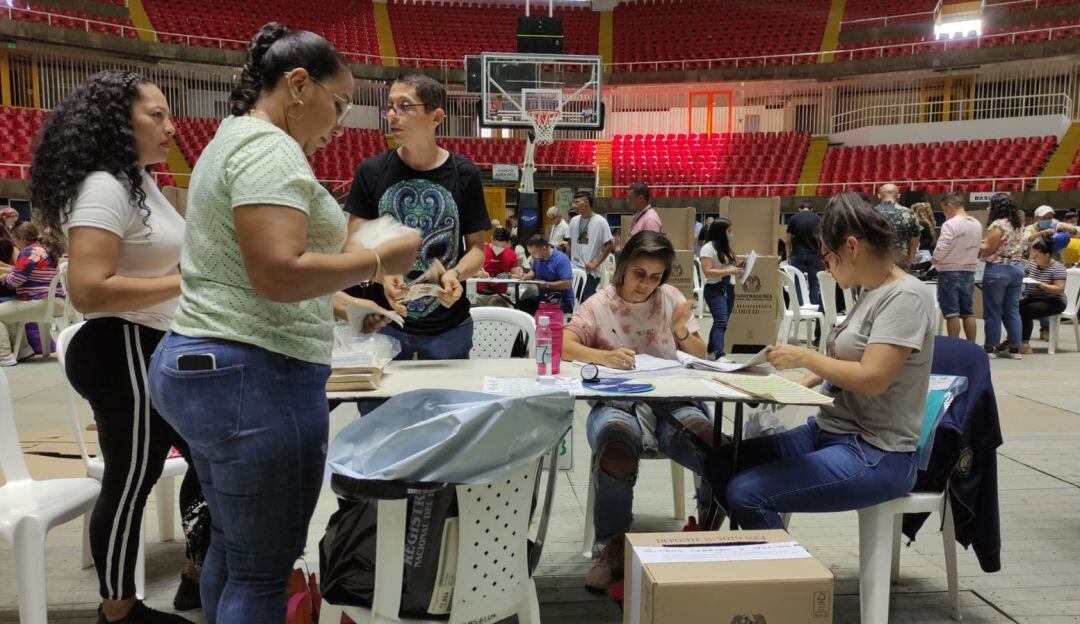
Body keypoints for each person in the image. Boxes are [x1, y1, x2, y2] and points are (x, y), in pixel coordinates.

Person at [146, 24, 419, 624]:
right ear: (299, 84)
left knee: (237, 553)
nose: (343, 123)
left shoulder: (234, 139)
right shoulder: (269, 149)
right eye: (341, 103)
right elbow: (278, 271)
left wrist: (354, 276)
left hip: (214, 364)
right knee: (262, 574)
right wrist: (378, 258)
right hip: (252, 373)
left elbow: (265, 267)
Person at [30, 69, 206, 624]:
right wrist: (187, 280)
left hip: (153, 342)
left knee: (211, 455)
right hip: (123, 343)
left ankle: (197, 575)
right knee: (132, 478)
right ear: (116, 122)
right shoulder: (104, 185)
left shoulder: (138, 180)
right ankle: (119, 609)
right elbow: (88, 288)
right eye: (157, 115)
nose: (171, 127)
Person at [705, 190, 934, 531]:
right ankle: (722, 553)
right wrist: (797, 383)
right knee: (722, 462)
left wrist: (804, 357)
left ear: (852, 247)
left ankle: (785, 580)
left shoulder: (906, 297)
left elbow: (873, 378)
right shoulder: (871, 291)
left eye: (827, 256)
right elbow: (845, 358)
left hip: (875, 451)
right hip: (829, 430)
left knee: (748, 493)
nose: (825, 264)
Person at [562, 231, 714, 592]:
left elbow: (700, 355)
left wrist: (680, 329)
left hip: (674, 402)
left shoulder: (671, 299)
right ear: (623, 267)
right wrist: (604, 357)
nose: (646, 284)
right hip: (616, 402)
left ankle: (708, 532)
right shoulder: (599, 305)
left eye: (655, 277)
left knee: (712, 445)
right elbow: (564, 343)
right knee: (616, 448)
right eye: (639, 274)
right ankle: (612, 545)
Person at [343, 74, 488, 359]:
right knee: (380, 405)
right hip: (384, 320)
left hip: (449, 327)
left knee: (449, 403)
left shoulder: (465, 173)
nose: (393, 116)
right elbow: (353, 244)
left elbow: (476, 249)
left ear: (436, 116)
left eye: (405, 106)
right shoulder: (371, 171)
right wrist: (383, 276)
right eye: (390, 107)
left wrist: (455, 274)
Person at [0, 222, 63, 365]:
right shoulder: (45, 249)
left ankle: (4, 355)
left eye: (15, 240)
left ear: (22, 238)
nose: (14, 244)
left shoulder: (28, 252)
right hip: (56, 301)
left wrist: (5, 278)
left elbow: (14, 282)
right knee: (8, 309)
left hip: (41, 302)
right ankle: (23, 350)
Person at [979, 192, 1025, 360]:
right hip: (1016, 267)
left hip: (999, 268)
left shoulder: (998, 224)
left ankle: (991, 347)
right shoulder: (1018, 224)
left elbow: (988, 248)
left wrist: (980, 244)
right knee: (1012, 310)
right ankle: (1015, 348)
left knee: (993, 311)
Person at [932, 192, 982, 342]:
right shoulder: (976, 223)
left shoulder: (950, 224)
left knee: (951, 313)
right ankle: (971, 345)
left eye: (944, 209)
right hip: (968, 271)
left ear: (950, 205)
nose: (944, 213)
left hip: (949, 271)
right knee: (968, 312)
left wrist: (934, 261)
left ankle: (954, 345)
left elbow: (942, 246)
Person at [698, 219, 742, 359]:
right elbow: (708, 271)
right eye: (729, 231)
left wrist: (737, 266)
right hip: (714, 289)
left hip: (728, 287)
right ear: (720, 232)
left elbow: (726, 265)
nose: (731, 234)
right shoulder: (708, 248)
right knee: (721, 321)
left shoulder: (723, 247)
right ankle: (719, 354)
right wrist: (729, 270)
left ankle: (710, 350)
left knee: (721, 321)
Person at [1019, 236, 1067, 354]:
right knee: (1011, 307)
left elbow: (1059, 289)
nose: (1034, 259)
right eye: (1033, 256)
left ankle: (1024, 343)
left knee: (1026, 310)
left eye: (1037, 256)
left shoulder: (1058, 268)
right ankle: (1013, 339)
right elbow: (1024, 277)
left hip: (1053, 300)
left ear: (1047, 255)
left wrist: (1041, 284)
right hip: (1033, 297)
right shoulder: (1032, 265)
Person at [569, 191, 613, 302]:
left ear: (587, 202)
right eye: (573, 202)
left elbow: (610, 245)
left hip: (589, 272)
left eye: (577, 202)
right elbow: (572, 242)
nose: (574, 205)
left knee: (586, 303)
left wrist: (596, 263)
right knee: (572, 302)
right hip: (574, 269)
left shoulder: (600, 221)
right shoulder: (574, 221)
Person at [516, 233, 574, 315]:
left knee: (542, 308)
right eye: (530, 253)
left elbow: (567, 284)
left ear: (544, 249)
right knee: (521, 304)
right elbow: (534, 271)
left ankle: (544, 326)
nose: (532, 256)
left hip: (562, 299)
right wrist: (528, 276)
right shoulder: (537, 258)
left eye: (534, 253)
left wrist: (547, 285)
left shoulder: (561, 259)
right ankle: (532, 326)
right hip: (544, 297)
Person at [874, 183, 921, 269]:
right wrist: (909, 262)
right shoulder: (909, 213)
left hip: (875, 261)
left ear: (879, 196)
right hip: (900, 263)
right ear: (898, 196)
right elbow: (914, 240)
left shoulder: (870, 213)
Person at [786, 201, 823, 310]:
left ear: (799, 209)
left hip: (797, 255)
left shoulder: (793, 219)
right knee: (814, 282)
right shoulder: (818, 219)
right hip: (814, 255)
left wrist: (788, 255)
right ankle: (814, 308)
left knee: (797, 282)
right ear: (812, 209)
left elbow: (788, 240)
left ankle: (800, 307)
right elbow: (821, 239)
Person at [475, 227, 518, 306]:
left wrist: (509, 275)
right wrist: (478, 273)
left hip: (499, 295)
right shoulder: (481, 250)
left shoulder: (511, 254)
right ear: (491, 239)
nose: (498, 249)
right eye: (495, 245)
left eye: (502, 247)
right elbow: (467, 272)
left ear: (507, 243)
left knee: (499, 306)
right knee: (471, 309)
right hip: (477, 294)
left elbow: (518, 275)